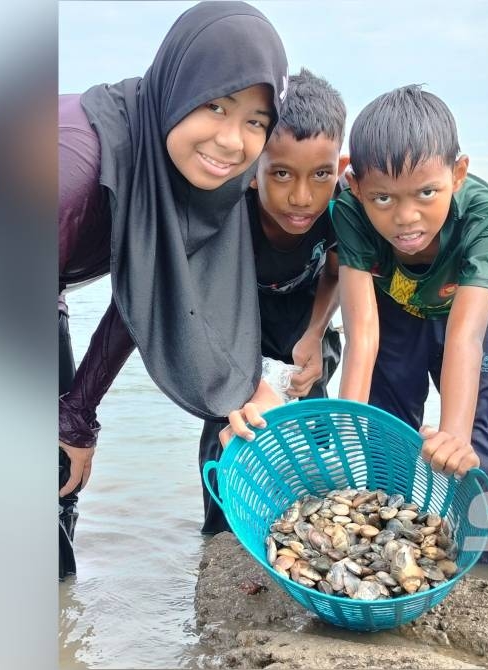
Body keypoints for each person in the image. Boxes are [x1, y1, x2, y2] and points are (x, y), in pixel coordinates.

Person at [57, 1, 289, 578]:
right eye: (216, 106)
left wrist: (75, 417)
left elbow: (145, 289)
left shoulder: (174, 168)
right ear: (178, 86)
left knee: (55, 483)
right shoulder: (72, 168)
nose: (233, 142)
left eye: (256, 121)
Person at [331, 85, 488, 564]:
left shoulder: (484, 213)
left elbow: (466, 337)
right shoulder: (349, 211)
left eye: (426, 193)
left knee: (477, 446)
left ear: (458, 174)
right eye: (382, 197)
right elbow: (362, 331)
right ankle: (395, 555)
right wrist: (347, 419)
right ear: (356, 185)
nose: (406, 217)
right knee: (386, 434)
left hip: (472, 309)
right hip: (395, 309)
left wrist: (454, 434)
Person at [198, 68, 348, 534]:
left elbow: (336, 272)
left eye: (320, 174)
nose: (302, 197)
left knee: (312, 424)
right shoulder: (229, 211)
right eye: (281, 173)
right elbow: (205, 304)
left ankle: (304, 533)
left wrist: (315, 334)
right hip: (237, 316)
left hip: (303, 314)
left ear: (339, 167)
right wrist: (245, 379)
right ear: (252, 172)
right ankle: (221, 535)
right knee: (230, 426)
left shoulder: (342, 207)